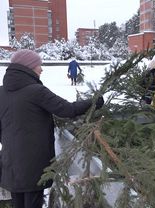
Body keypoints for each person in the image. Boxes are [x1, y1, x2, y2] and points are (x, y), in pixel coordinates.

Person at [0, 49, 104, 208]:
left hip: (11, 162)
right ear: (28, 67)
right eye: (38, 65)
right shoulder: (36, 91)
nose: (41, 69)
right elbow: (67, 110)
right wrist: (95, 101)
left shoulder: (1, 92)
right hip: (33, 163)